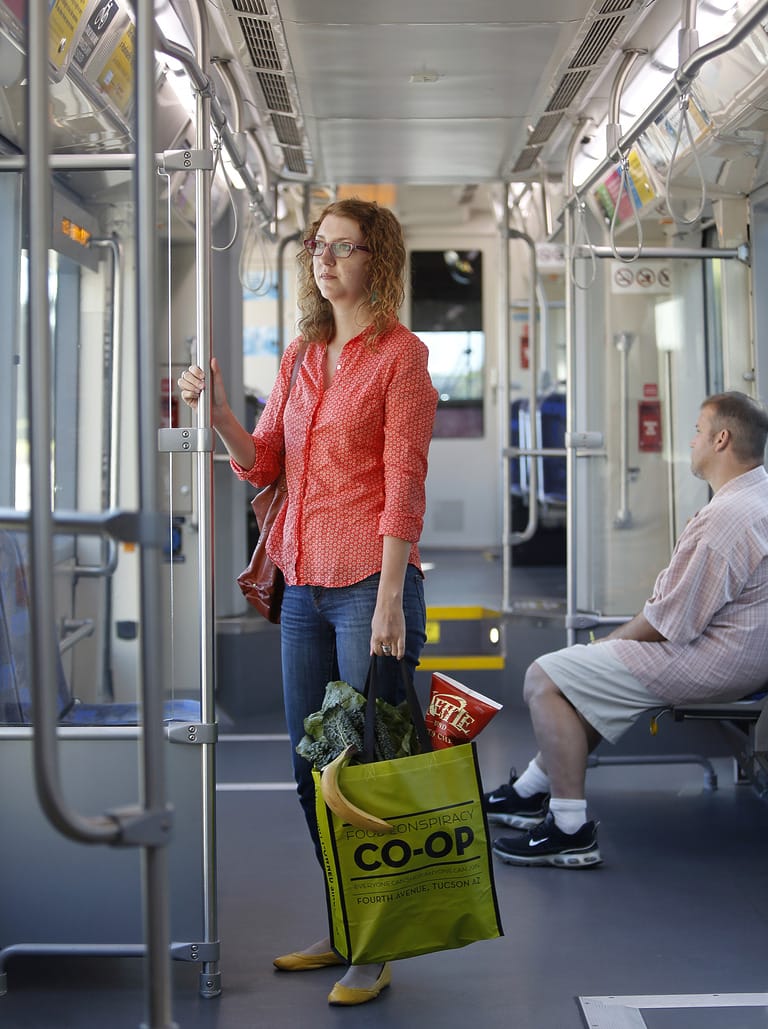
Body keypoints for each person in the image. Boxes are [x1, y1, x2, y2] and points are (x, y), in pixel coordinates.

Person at [178, 199, 437, 1003]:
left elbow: (404, 485)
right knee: (307, 771)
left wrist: (393, 598)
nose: (324, 259)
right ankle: (345, 924)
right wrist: (220, 414)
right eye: (316, 247)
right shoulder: (299, 357)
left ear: (378, 259)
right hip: (302, 590)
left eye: (342, 247)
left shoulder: (402, 357)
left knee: (362, 773)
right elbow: (262, 464)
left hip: (371, 586)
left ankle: (378, 943)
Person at [485, 391, 768, 869]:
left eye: (699, 431)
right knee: (581, 677)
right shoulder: (756, 496)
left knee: (544, 676)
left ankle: (569, 830)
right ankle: (531, 791)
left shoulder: (727, 518)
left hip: (717, 659)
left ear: (722, 439)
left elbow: (669, 623)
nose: (692, 439)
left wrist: (603, 646)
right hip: (745, 654)